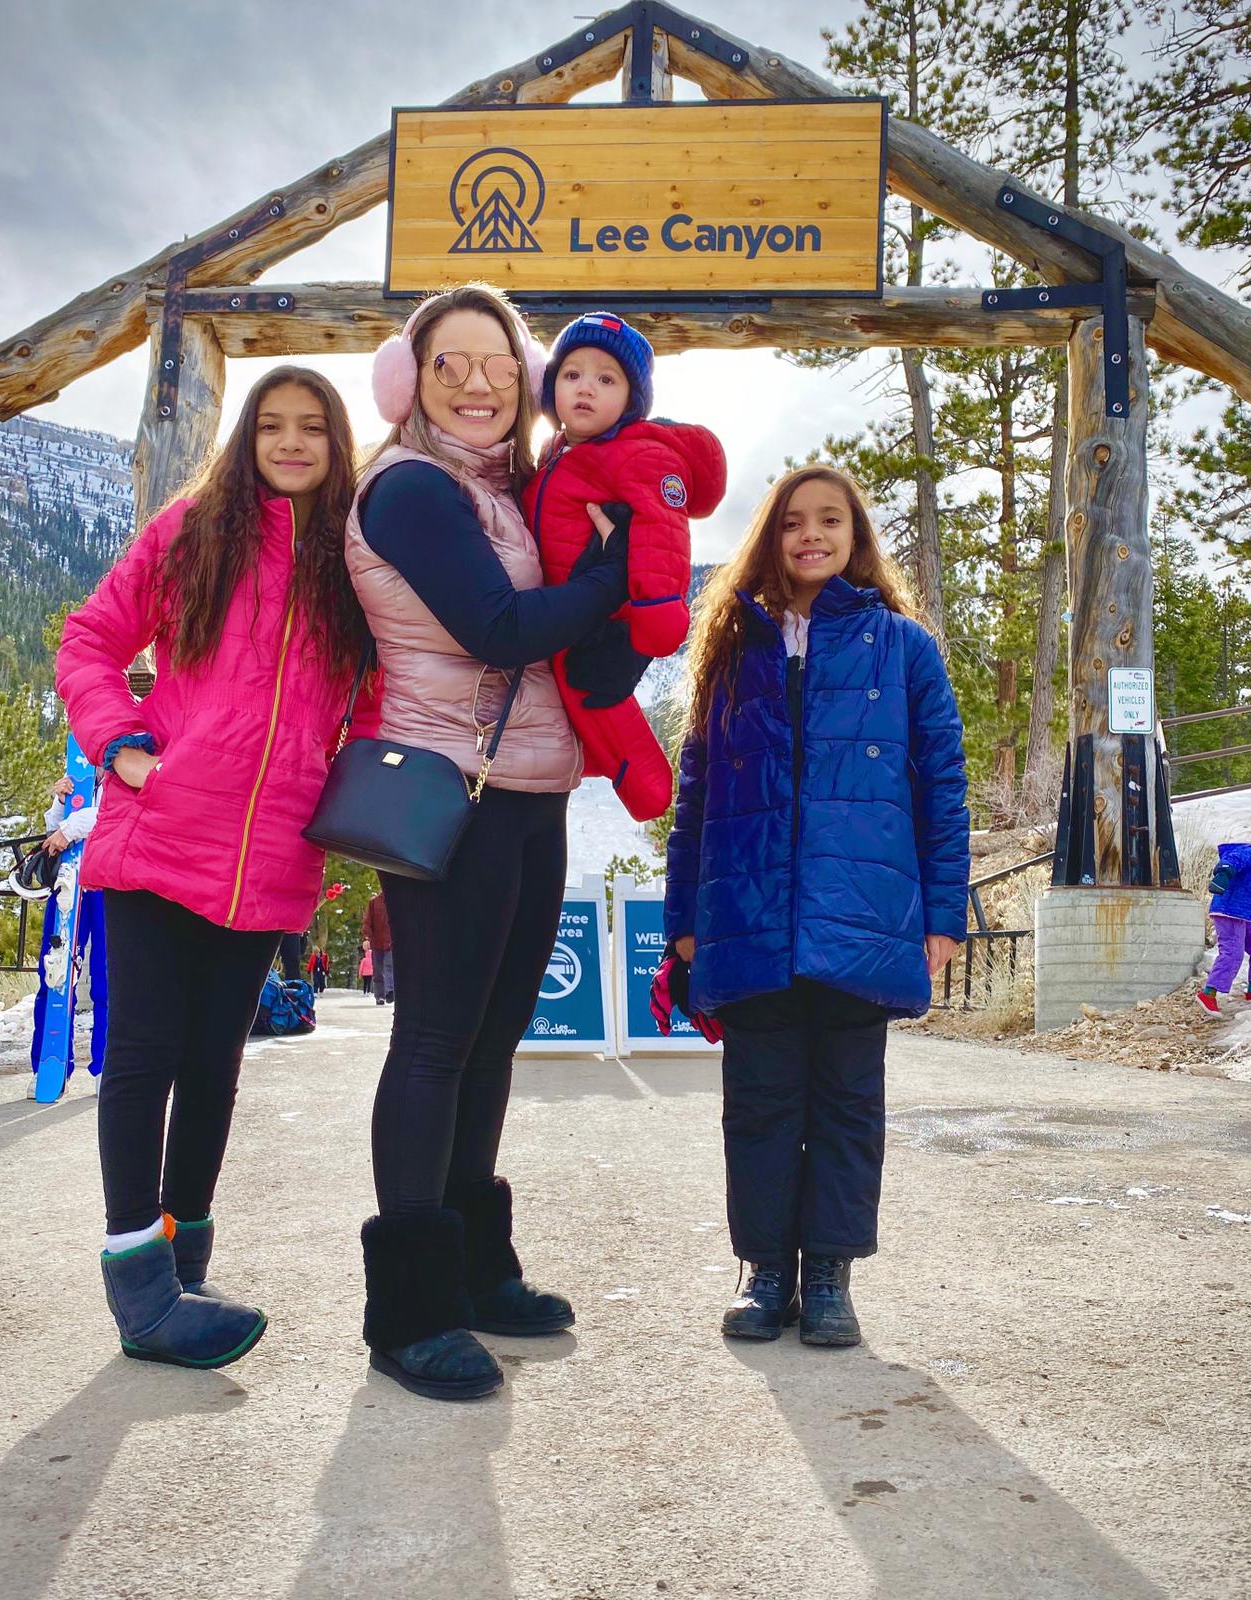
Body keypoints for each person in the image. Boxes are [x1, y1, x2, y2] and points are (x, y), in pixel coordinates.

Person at [56, 365, 372, 1371]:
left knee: (214, 1065)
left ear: (335, 442)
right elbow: (90, 640)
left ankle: (183, 1260)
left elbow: (367, 703)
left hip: (274, 852)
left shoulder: (351, 564)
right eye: (271, 425)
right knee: (143, 1053)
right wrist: (121, 747)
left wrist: (341, 801)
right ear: (245, 437)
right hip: (160, 836)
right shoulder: (193, 533)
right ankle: (135, 1278)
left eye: (310, 427)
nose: (289, 442)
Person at [348, 281, 630, 1401]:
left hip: (526, 790)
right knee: (433, 1039)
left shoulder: (504, 490)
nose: (478, 382)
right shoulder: (412, 487)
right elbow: (497, 628)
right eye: (451, 361)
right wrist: (617, 576)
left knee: (494, 1035)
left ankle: (471, 1264)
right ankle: (409, 1308)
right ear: (410, 379)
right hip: (446, 789)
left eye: (500, 363)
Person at [659, 465, 969, 1349]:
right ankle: (765, 1275)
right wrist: (684, 918)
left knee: (844, 1103)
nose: (811, 535)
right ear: (771, 537)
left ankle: (829, 1276)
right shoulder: (730, 648)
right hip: (748, 915)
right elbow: (698, 793)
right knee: (758, 1104)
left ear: (855, 535)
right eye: (793, 522)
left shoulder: (903, 646)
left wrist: (943, 915)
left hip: (860, 918)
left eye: (830, 520)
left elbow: (942, 788)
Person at [520, 312, 727, 822]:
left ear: (631, 400)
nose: (585, 388)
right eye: (572, 375)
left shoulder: (639, 455)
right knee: (575, 703)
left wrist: (658, 608)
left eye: (605, 378)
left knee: (596, 695)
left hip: (609, 616)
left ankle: (648, 789)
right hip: (559, 609)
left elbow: (663, 530)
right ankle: (615, 776)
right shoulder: (554, 454)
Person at [29, 773, 107, 1090]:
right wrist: (61, 803)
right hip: (69, 884)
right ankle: (49, 1064)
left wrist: (70, 827)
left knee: (109, 977)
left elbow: (117, 813)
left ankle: (107, 1067)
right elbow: (54, 833)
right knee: (53, 972)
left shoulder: (131, 758)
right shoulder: (81, 770)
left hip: (110, 884)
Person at [1197, 842, 1251, 1015]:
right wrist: (1224, 874)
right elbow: (1232, 860)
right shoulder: (1248, 851)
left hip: (1247, 914)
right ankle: (1208, 994)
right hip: (1229, 910)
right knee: (1233, 952)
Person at [361, 888, 393, 1006]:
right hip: (377, 942)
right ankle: (380, 996)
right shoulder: (374, 902)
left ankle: (390, 991)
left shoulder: (396, 900)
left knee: (390, 966)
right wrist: (366, 938)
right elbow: (367, 922)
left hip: (391, 942)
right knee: (378, 970)